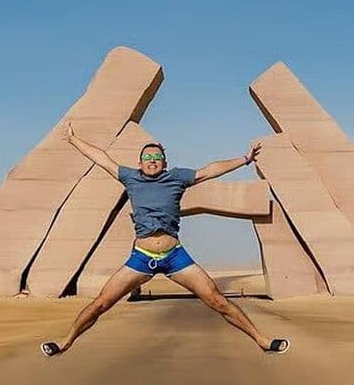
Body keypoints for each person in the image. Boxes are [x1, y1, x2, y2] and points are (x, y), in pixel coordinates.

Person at [40, 122, 290, 357]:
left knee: (216, 300)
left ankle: (262, 341)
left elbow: (210, 170)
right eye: (147, 158)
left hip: (174, 256)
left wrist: (245, 160)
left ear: (164, 161)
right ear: (139, 163)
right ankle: (66, 341)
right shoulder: (130, 177)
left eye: (156, 157)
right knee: (101, 304)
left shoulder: (177, 178)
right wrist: (73, 139)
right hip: (141, 257)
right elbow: (102, 159)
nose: (152, 161)